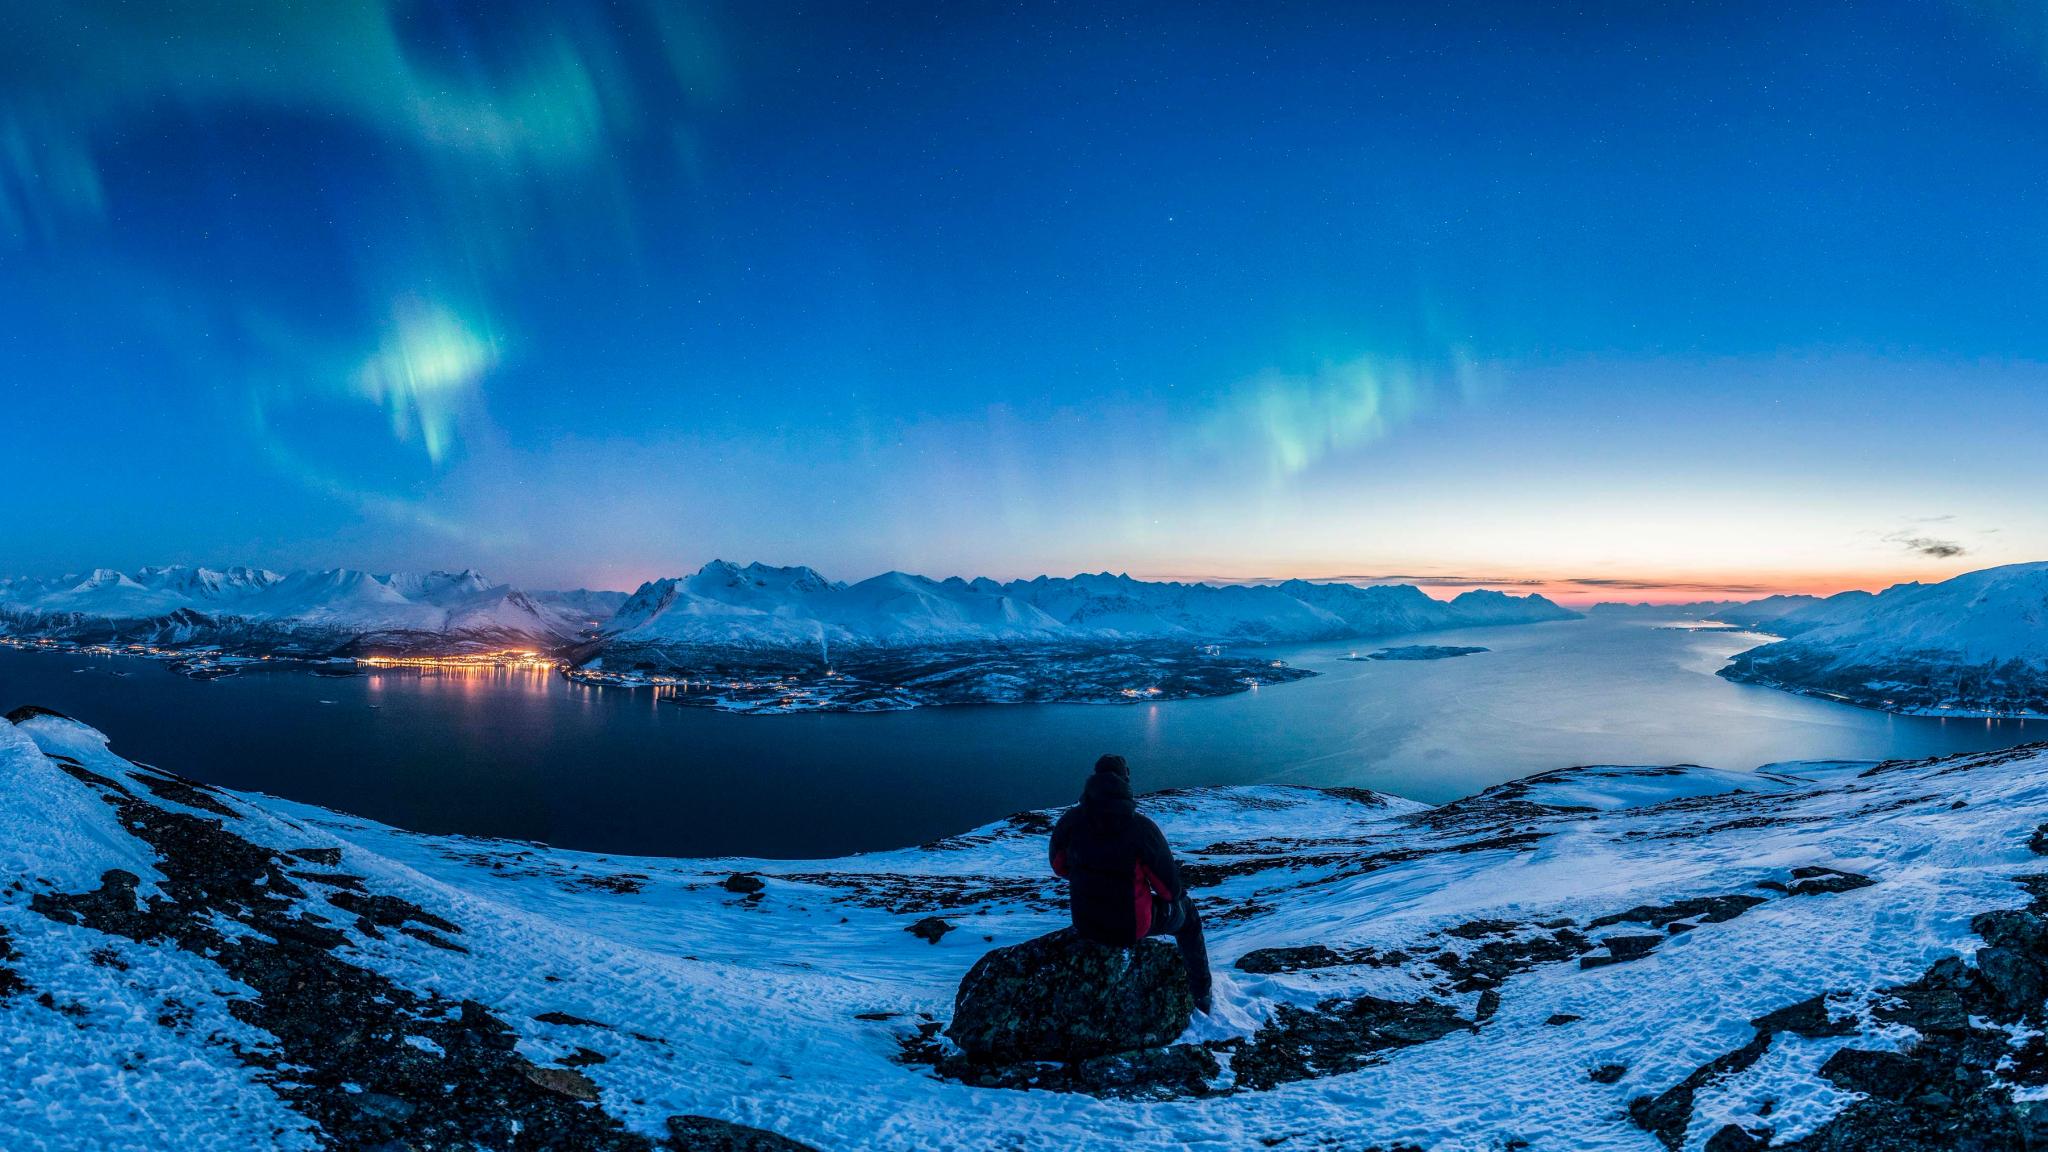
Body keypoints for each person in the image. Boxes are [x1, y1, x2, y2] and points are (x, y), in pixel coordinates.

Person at [1048, 753, 1213, 1012]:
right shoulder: (1140, 828)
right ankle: (1201, 994)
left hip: (1085, 922)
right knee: (1189, 917)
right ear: (1126, 781)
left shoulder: (1071, 821)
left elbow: (1058, 866)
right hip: (1130, 926)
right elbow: (1169, 891)